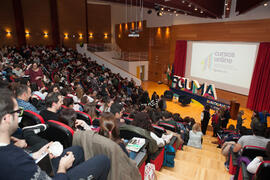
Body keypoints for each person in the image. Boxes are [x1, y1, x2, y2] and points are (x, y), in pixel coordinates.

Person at [0, 88, 110, 180]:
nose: (20, 114)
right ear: (7, 118)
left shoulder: (10, 150)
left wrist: (35, 155)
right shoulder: (14, 161)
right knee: (103, 160)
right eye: (17, 111)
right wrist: (62, 168)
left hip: (34, 161)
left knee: (78, 150)